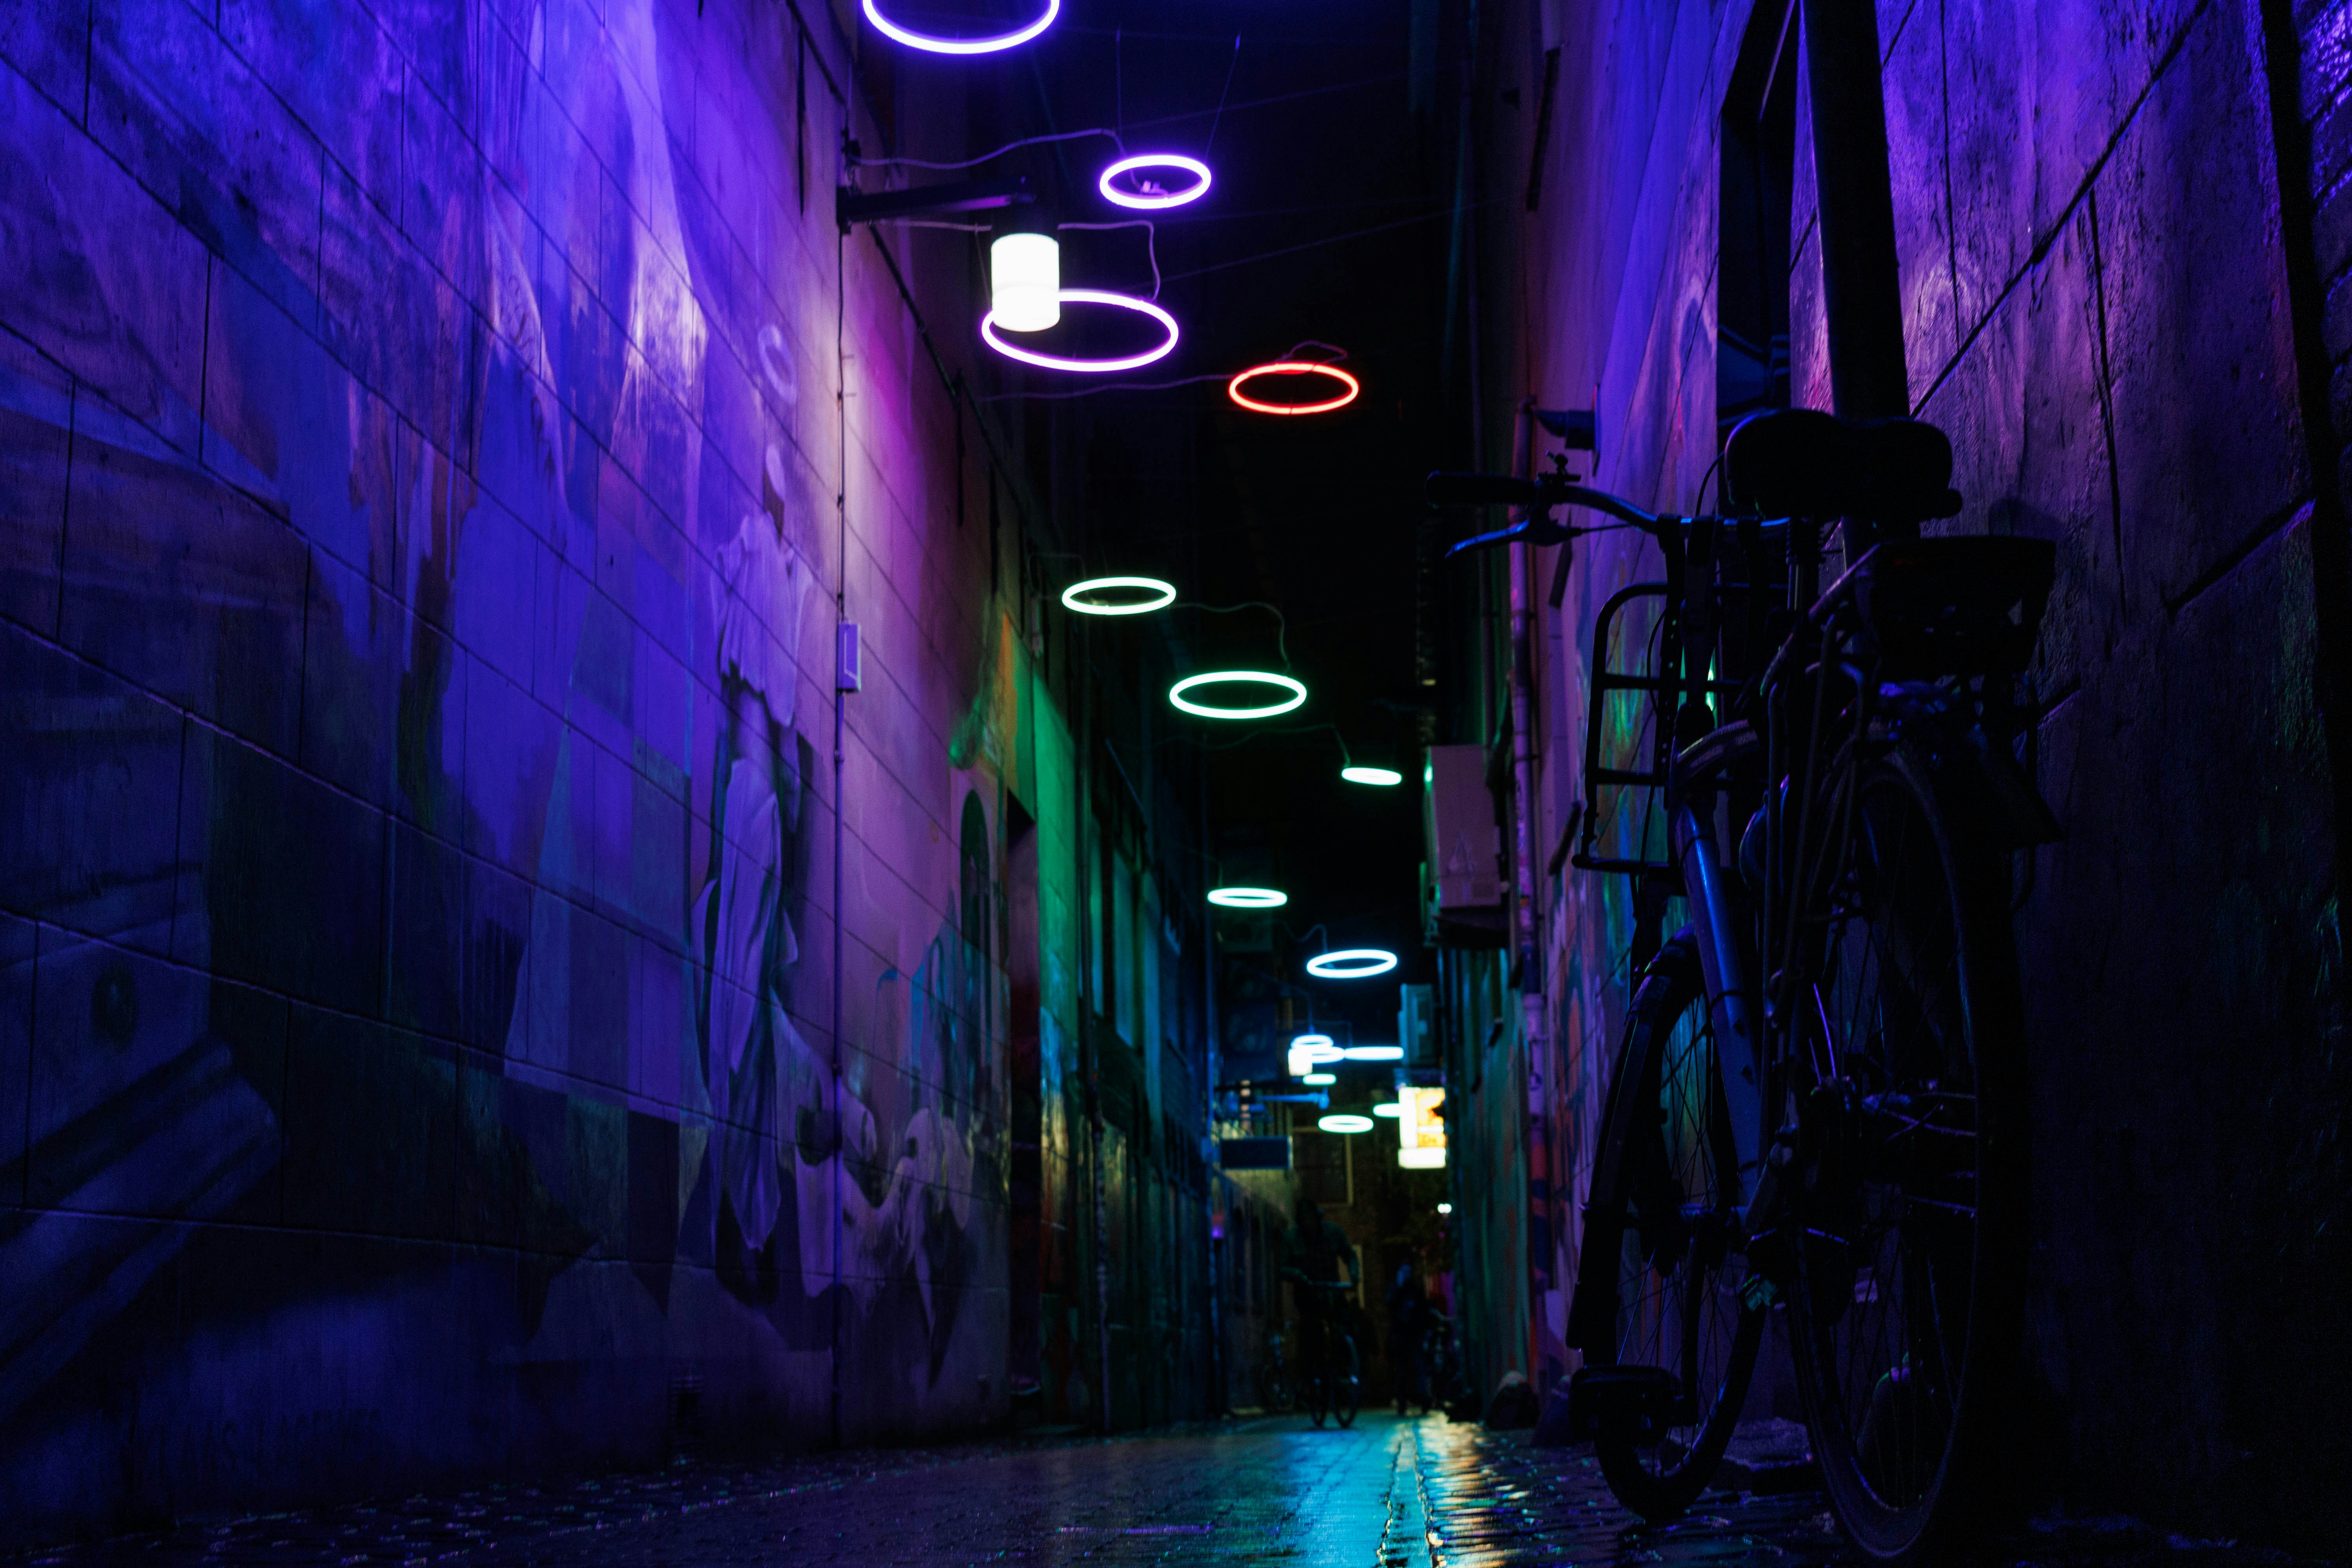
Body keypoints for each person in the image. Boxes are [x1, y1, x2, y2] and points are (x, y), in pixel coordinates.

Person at [1279, 1198, 1359, 1394]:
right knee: (1310, 1331)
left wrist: (1354, 1273)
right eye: (1305, 1220)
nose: (1309, 1224)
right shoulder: (1292, 1238)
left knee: (1343, 1325)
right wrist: (1297, 1275)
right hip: (1308, 1293)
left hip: (1332, 1289)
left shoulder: (1333, 1233)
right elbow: (1282, 1267)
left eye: (1312, 1219)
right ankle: (1310, 1375)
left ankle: (1343, 1365)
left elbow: (1349, 1255)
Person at [1387, 1263, 1434, 1414]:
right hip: (1402, 1336)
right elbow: (1390, 1303)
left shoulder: (1416, 1289)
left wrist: (1426, 1330)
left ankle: (1421, 1400)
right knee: (1403, 1370)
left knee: (1417, 1368)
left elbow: (1423, 1310)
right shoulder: (1397, 1289)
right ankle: (1404, 1402)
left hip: (1414, 1335)